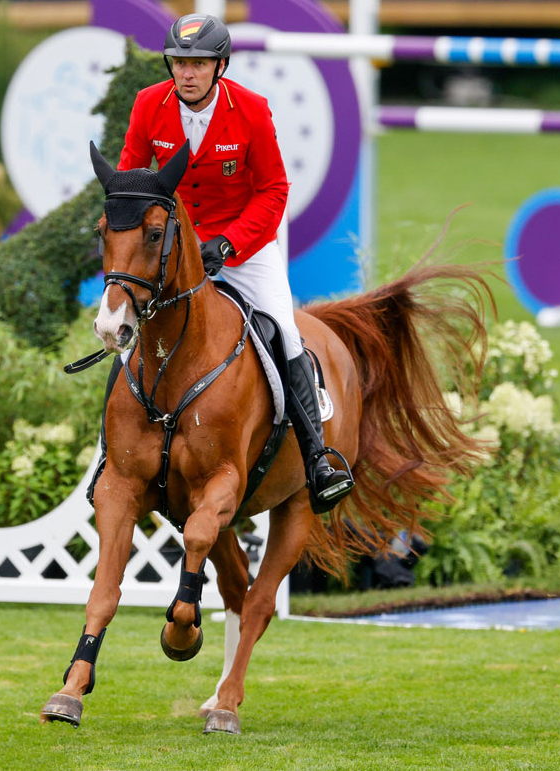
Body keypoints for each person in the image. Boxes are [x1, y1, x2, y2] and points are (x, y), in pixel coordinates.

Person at [114, 13, 353, 513]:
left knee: (285, 332)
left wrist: (229, 243)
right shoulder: (147, 105)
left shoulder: (249, 110)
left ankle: (317, 458)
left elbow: (273, 191)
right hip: (173, 251)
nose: (188, 74)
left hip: (243, 247)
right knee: (125, 325)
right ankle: (113, 454)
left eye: (199, 64)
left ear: (220, 66)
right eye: (180, 63)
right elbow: (130, 180)